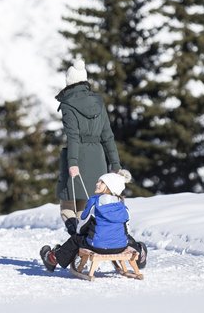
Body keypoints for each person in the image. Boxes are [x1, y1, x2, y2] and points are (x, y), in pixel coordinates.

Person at [54, 59, 147, 268]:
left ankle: (80, 246)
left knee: (68, 207)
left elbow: (73, 137)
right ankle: (128, 247)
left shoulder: (68, 104)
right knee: (97, 207)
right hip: (98, 158)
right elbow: (108, 136)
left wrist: (73, 162)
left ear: (68, 81)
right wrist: (115, 164)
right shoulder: (98, 102)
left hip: (78, 158)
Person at [40, 171, 133, 271]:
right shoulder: (123, 207)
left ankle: (52, 259)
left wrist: (81, 232)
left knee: (76, 239)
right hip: (120, 247)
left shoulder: (94, 203)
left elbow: (83, 225)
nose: (97, 184)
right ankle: (139, 254)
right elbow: (127, 229)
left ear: (110, 187)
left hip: (97, 247)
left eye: (102, 182)